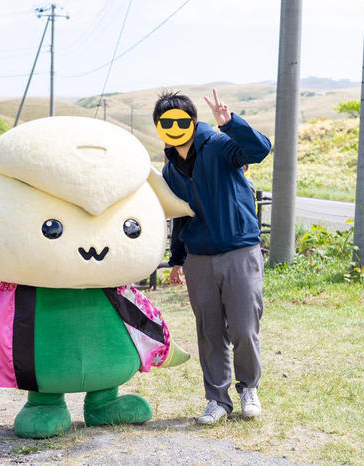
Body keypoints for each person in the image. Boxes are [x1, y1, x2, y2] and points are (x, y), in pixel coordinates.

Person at [155, 89, 271, 424]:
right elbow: (181, 215)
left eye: (180, 120)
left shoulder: (219, 145)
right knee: (209, 331)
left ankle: (249, 389)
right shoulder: (170, 169)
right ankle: (217, 400)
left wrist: (230, 124)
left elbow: (259, 149)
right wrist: (177, 259)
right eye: (166, 122)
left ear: (191, 122)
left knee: (244, 327)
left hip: (239, 249)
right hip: (199, 258)